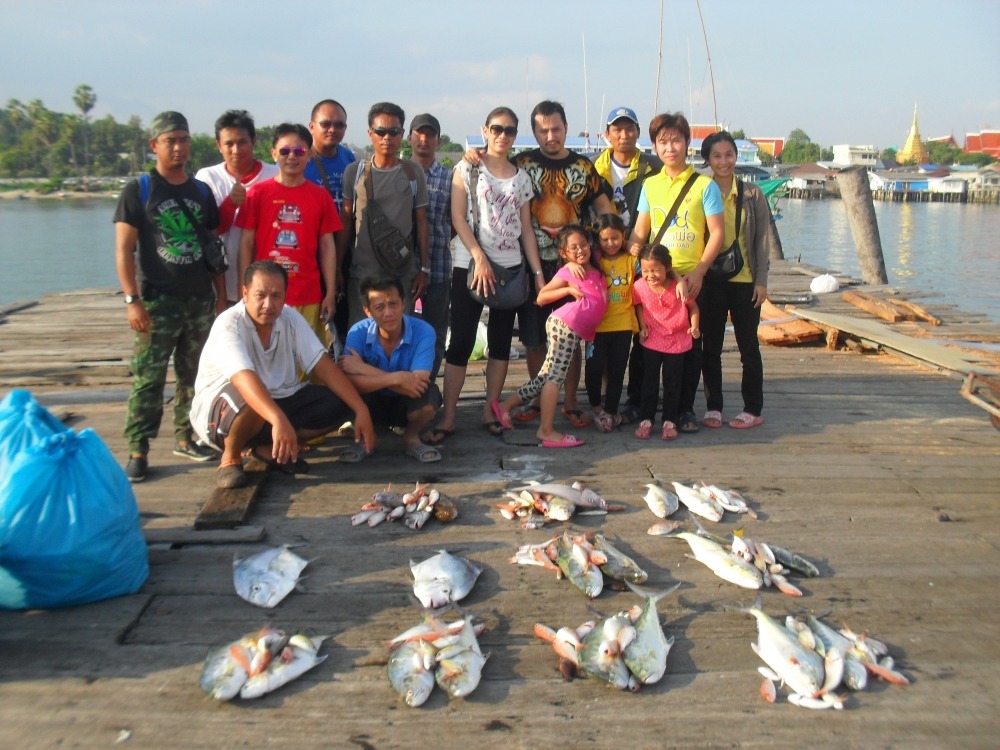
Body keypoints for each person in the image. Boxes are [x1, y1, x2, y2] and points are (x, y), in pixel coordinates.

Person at [190, 261, 375, 489]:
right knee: (250, 399)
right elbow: (244, 379)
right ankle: (230, 458)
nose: (268, 304)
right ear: (245, 293)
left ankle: (272, 447)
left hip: (278, 399)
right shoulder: (229, 324)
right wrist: (278, 420)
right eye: (261, 295)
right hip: (227, 412)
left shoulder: (290, 318)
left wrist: (360, 409)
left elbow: (323, 365)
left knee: (344, 399)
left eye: (277, 296)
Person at [113, 111, 225, 483]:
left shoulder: (200, 191)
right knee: (149, 377)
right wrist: (133, 300)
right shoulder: (139, 190)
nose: (178, 148)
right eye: (170, 141)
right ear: (154, 145)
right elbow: (124, 250)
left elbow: (212, 247)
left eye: (184, 140)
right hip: (157, 302)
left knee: (193, 375)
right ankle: (138, 448)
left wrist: (220, 298)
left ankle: (186, 435)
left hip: (199, 300)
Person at [424, 107, 545, 446]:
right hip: (470, 264)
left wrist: (537, 274)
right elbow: (458, 217)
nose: (502, 135)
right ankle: (449, 415)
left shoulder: (521, 178)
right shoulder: (467, 168)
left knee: (501, 344)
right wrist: (478, 256)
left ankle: (490, 410)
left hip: (509, 267)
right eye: (496, 128)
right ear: (485, 130)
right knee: (461, 340)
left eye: (509, 130)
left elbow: (526, 230)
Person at [508, 100, 615, 428]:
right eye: (543, 130)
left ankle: (569, 402)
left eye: (556, 128)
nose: (550, 135)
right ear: (535, 132)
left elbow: (604, 208)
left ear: (566, 128)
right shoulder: (521, 163)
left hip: (574, 265)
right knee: (534, 337)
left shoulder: (584, 166)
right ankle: (539, 401)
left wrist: (617, 245)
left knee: (572, 336)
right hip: (532, 262)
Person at [627, 112, 723, 434]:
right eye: (663, 142)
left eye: (677, 140)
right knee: (646, 342)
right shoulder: (650, 185)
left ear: (687, 142)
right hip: (655, 278)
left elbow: (717, 234)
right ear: (654, 145)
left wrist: (698, 272)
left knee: (691, 346)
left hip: (691, 277)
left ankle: (684, 409)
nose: (670, 148)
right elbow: (641, 230)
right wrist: (627, 265)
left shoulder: (705, 185)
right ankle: (642, 405)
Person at [493, 225, 607, 449]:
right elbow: (543, 296)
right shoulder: (569, 271)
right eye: (573, 248)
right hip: (564, 326)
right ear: (563, 253)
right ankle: (546, 430)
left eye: (583, 244)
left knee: (545, 378)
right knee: (556, 378)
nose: (580, 250)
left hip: (572, 330)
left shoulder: (595, 267)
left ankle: (505, 406)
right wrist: (567, 290)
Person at [700, 131, 780, 429]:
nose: (724, 162)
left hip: (745, 280)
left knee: (749, 347)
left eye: (729, 155)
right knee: (712, 346)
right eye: (717, 156)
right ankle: (714, 406)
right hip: (712, 279)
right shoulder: (702, 190)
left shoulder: (752, 193)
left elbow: (761, 240)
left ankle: (752, 407)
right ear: (707, 160)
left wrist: (762, 280)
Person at [236, 123, 341, 345]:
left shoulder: (320, 196)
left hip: (308, 294)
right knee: (265, 358)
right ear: (274, 154)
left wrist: (330, 292)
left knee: (307, 362)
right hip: (264, 297)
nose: (291, 156)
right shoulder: (257, 194)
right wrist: (244, 289)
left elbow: (327, 246)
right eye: (284, 151)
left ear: (309, 155)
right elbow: (246, 243)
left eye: (299, 151)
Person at [342, 102, 430, 327]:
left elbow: (421, 223)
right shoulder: (355, 172)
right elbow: (346, 222)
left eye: (394, 132)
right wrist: (337, 270)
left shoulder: (412, 172)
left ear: (402, 134)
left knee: (400, 336)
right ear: (370, 133)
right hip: (363, 272)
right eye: (380, 132)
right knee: (361, 336)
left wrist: (424, 269)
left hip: (401, 271)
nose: (387, 138)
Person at [338, 277, 443, 463]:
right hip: (371, 401)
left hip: (405, 403)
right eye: (379, 307)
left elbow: (417, 384)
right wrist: (399, 378)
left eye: (393, 304)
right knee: (345, 391)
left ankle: (411, 437)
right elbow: (349, 382)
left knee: (429, 397)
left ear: (404, 304)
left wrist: (362, 368)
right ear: (367, 312)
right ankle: (367, 437)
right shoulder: (357, 332)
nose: (388, 313)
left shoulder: (424, 331)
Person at [195, 110, 279, 305]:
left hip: (266, 289)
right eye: (229, 144)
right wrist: (230, 204)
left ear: (254, 141)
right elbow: (206, 233)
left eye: (242, 142)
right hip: (220, 288)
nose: (236, 150)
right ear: (218, 145)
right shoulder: (207, 178)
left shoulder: (275, 175)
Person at [632, 244, 700, 441]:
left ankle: (669, 419)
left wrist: (694, 326)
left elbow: (693, 308)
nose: (650, 275)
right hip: (652, 339)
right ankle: (647, 418)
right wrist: (642, 325)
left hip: (676, 341)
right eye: (645, 271)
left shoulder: (679, 287)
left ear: (668, 267)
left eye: (655, 270)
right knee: (649, 381)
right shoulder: (639, 287)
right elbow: (638, 306)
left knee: (673, 381)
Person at [305, 99, 355, 343]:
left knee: (344, 324)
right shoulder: (299, 159)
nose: (332, 130)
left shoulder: (349, 158)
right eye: (326, 124)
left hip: (343, 249)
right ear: (312, 126)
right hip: (311, 253)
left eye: (339, 125)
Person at [408, 113, 452, 380]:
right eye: (419, 133)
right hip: (403, 273)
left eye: (430, 134)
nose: (424, 139)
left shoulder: (450, 177)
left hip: (438, 269)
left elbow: (457, 221)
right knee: (403, 334)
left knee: (435, 335)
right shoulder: (399, 172)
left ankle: (427, 388)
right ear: (410, 136)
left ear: (437, 140)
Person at [584, 213, 635, 431]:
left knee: (617, 371)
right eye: (605, 239)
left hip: (623, 325)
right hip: (597, 327)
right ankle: (596, 404)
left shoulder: (632, 260)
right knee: (594, 369)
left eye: (615, 238)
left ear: (623, 236)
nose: (611, 243)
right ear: (597, 240)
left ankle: (611, 410)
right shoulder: (592, 262)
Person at [593, 106, 662, 235]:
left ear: (638, 132)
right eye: (617, 130)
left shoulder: (655, 167)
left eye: (630, 129)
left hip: (639, 243)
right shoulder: (593, 167)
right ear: (607, 134)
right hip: (603, 242)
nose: (624, 136)